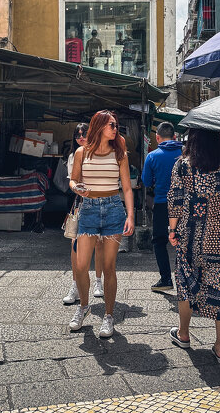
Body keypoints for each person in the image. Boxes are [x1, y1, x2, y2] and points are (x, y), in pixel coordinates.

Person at [168, 128, 220, 364]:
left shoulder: (183, 165)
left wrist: (172, 230)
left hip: (191, 234)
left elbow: (175, 199)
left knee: (185, 281)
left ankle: (183, 334)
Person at [68, 110, 135, 338]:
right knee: (80, 265)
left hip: (114, 209)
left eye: (116, 126)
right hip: (88, 209)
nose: (115, 129)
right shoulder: (81, 152)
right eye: (112, 125)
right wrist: (76, 187)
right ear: (99, 126)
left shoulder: (119, 153)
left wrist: (130, 215)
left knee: (108, 268)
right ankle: (84, 307)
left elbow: (126, 187)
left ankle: (108, 316)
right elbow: (73, 180)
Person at [62, 123, 104, 305]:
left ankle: (98, 282)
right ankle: (76, 286)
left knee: (99, 243)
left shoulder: (100, 153)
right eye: (77, 134)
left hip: (100, 201)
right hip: (80, 202)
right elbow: (72, 181)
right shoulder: (73, 155)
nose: (81, 136)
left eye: (84, 133)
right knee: (75, 244)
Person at [141, 122, 183, 292]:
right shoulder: (185, 154)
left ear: (157, 138)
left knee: (159, 241)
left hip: (162, 203)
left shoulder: (152, 156)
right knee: (184, 240)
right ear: (174, 137)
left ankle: (166, 279)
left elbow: (146, 181)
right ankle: (185, 279)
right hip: (184, 205)